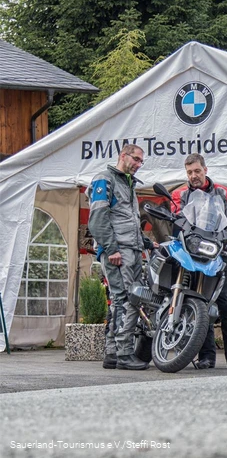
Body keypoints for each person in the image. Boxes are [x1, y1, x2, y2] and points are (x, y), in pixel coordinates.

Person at [170, 154, 227, 370]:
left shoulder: (223, 192)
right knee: (199, 305)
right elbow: (176, 221)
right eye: (189, 172)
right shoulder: (179, 194)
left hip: (219, 254)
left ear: (205, 169)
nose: (193, 176)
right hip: (193, 257)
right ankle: (206, 357)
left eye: (197, 171)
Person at [88, 144, 152, 370]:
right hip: (118, 251)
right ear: (123, 155)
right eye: (135, 159)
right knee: (124, 299)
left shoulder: (128, 184)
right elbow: (97, 218)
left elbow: (127, 221)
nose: (137, 164)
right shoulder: (104, 179)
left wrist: (146, 242)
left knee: (128, 300)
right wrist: (111, 248)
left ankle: (113, 353)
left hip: (132, 250)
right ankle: (124, 353)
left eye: (140, 162)